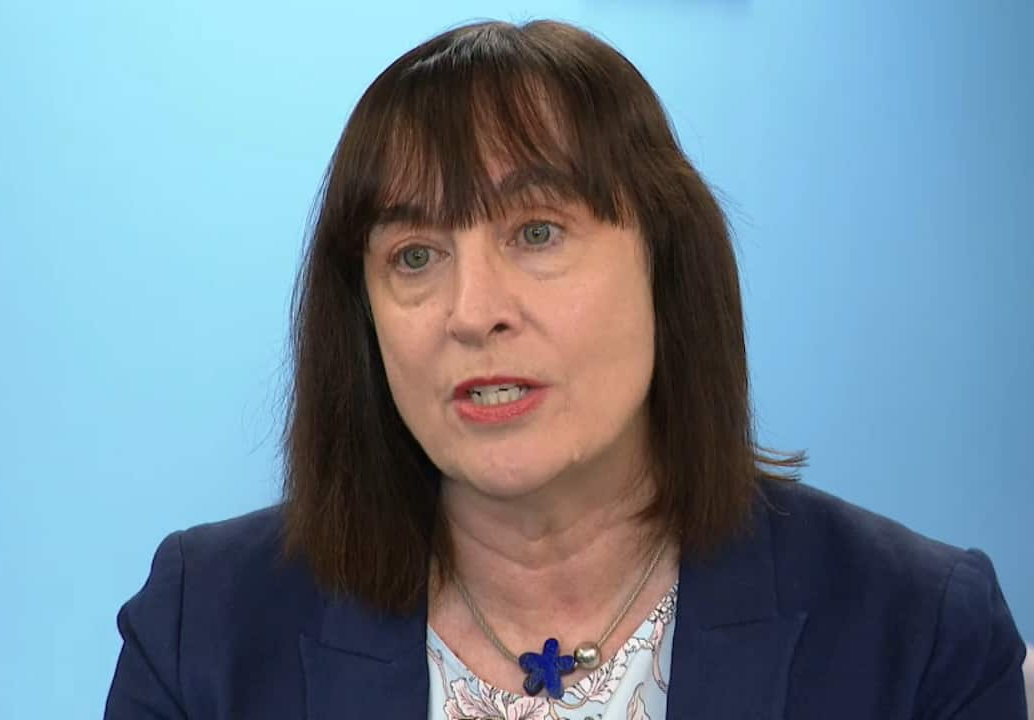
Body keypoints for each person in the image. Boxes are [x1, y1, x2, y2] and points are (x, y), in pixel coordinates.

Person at [104, 19, 1028, 719]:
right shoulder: (203, 630)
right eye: (415, 255)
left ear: (666, 268)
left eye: (536, 232)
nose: (474, 313)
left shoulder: (919, 632)